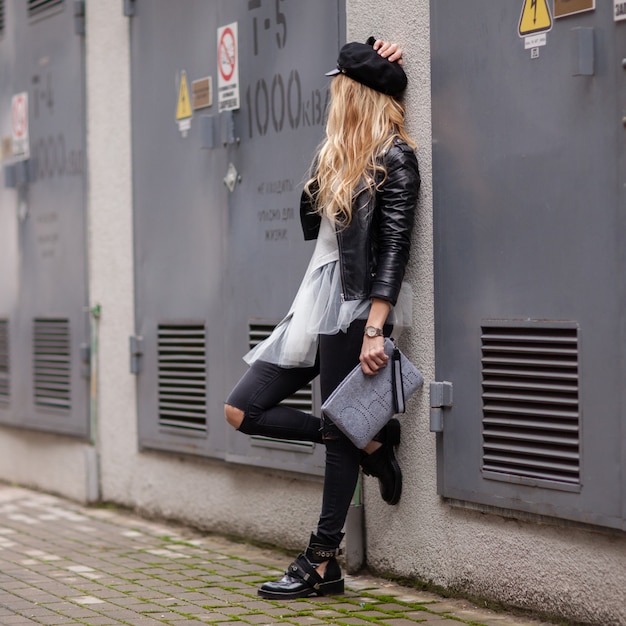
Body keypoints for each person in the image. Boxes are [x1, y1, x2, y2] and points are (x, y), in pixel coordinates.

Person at [224, 37, 420, 599]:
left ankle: (322, 561)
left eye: (341, 87)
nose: (333, 95)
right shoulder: (337, 154)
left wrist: (376, 328)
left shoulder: (395, 158)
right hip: (316, 296)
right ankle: (371, 444)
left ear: (358, 95)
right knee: (242, 409)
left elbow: (394, 249)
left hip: (358, 304)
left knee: (338, 425)